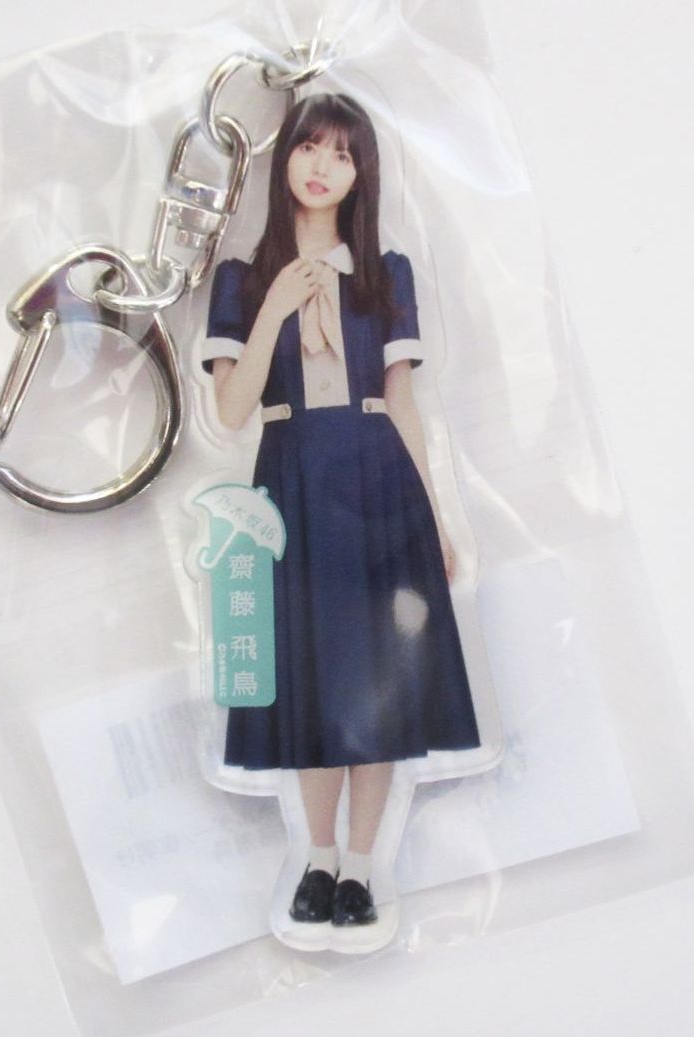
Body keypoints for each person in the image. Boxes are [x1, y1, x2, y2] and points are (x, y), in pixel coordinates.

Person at [202, 92, 480, 930]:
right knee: (309, 677)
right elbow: (231, 410)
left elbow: (400, 402)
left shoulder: (385, 272)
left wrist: (435, 517)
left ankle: (360, 868)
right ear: (282, 157)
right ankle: (316, 858)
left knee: (376, 678)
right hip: (288, 481)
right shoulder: (240, 279)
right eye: (308, 147)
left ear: (362, 173)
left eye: (342, 153)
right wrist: (277, 306)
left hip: (376, 480)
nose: (322, 166)